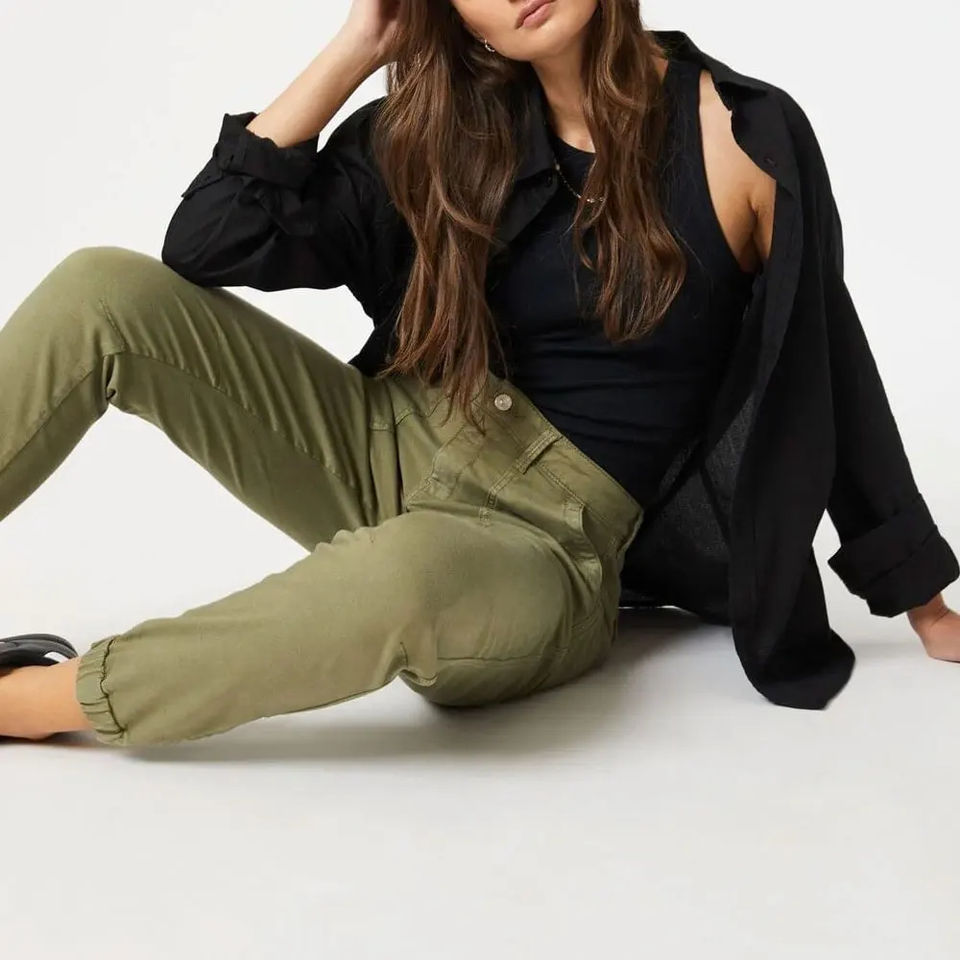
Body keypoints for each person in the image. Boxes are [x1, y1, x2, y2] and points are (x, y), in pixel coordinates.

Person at [1, 1, 954, 745]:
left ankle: (33, 703)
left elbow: (828, 356)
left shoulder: (741, 136)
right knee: (101, 288)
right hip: (383, 440)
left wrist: (920, 597)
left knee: (402, 576)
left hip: (541, 543)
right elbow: (209, 242)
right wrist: (358, 46)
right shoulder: (442, 128)